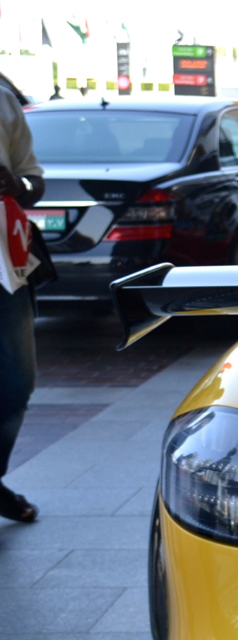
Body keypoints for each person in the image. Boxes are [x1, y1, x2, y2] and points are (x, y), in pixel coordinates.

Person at [0, 83, 46, 522]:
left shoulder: (2, 100)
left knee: (17, 383)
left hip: (5, 270)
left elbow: (35, 182)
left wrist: (17, 183)